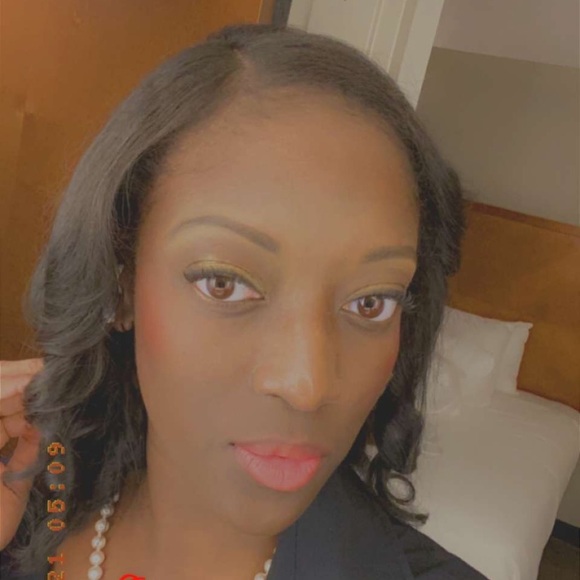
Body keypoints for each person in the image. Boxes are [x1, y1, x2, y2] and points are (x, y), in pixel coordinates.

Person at [0, 23, 488, 580]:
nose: (307, 386)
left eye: (371, 303)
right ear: (121, 285)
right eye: (224, 284)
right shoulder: (26, 511)